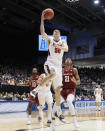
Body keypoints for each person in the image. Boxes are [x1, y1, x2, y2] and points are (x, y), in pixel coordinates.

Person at [40, 10, 68, 122]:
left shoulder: (63, 41)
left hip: (58, 66)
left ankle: (58, 112)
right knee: (52, 73)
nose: (56, 33)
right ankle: (38, 87)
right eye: (54, 32)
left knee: (58, 91)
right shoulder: (50, 40)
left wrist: (60, 46)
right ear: (53, 34)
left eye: (57, 32)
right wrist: (42, 20)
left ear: (60, 35)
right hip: (50, 63)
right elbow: (42, 32)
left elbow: (66, 49)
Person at [60, 58, 80, 128]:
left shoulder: (74, 70)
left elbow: (79, 82)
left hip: (71, 90)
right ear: (65, 62)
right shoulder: (61, 70)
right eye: (66, 59)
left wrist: (75, 81)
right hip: (63, 90)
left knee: (69, 101)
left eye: (69, 59)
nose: (68, 60)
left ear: (71, 62)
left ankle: (75, 121)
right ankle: (53, 121)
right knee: (56, 104)